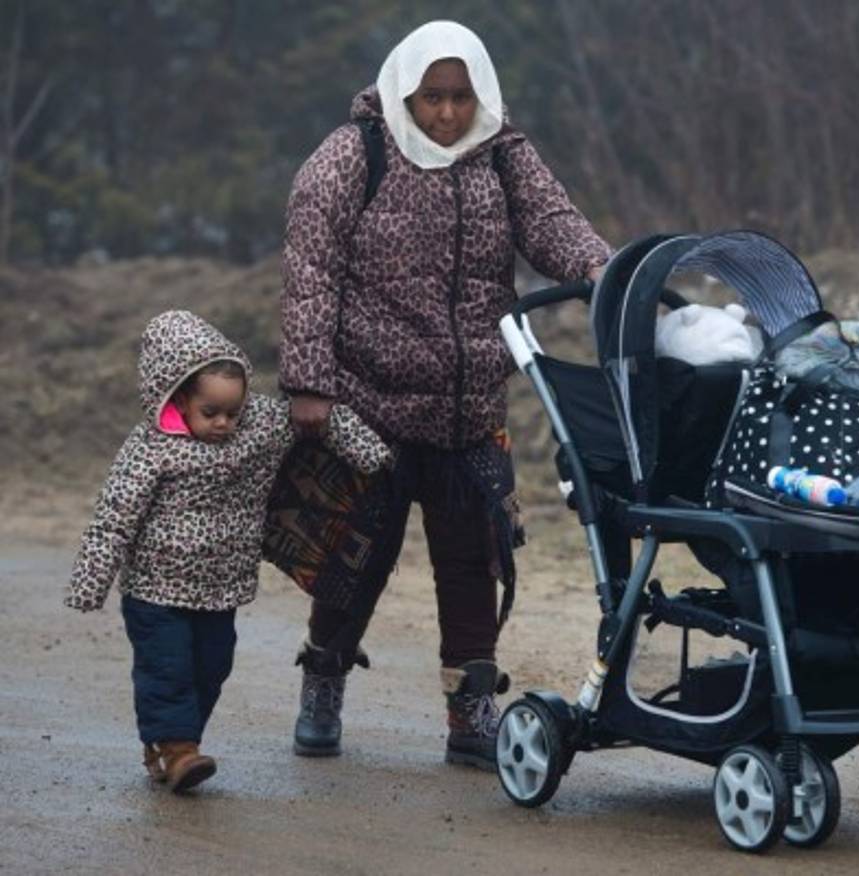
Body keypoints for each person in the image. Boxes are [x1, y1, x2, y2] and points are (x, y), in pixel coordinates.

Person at [279, 19, 611, 770]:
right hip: (370, 405)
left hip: (468, 408)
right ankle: (323, 677)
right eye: (433, 97)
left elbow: (553, 225)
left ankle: (471, 709)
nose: (449, 114)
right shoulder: (350, 156)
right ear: (405, 91)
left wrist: (600, 268)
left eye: (461, 97)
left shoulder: (500, 152)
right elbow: (310, 274)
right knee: (354, 559)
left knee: (473, 562)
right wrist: (309, 383)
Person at [65, 310, 390, 793]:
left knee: (213, 666)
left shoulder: (257, 427)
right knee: (167, 668)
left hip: (221, 590)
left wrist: (373, 454)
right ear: (177, 397)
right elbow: (115, 513)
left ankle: (172, 745)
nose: (223, 423)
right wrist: (91, 581)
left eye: (232, 412)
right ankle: (178, 751)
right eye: (210, 412)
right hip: (156, 590)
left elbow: (322, 419)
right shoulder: (151, 447)